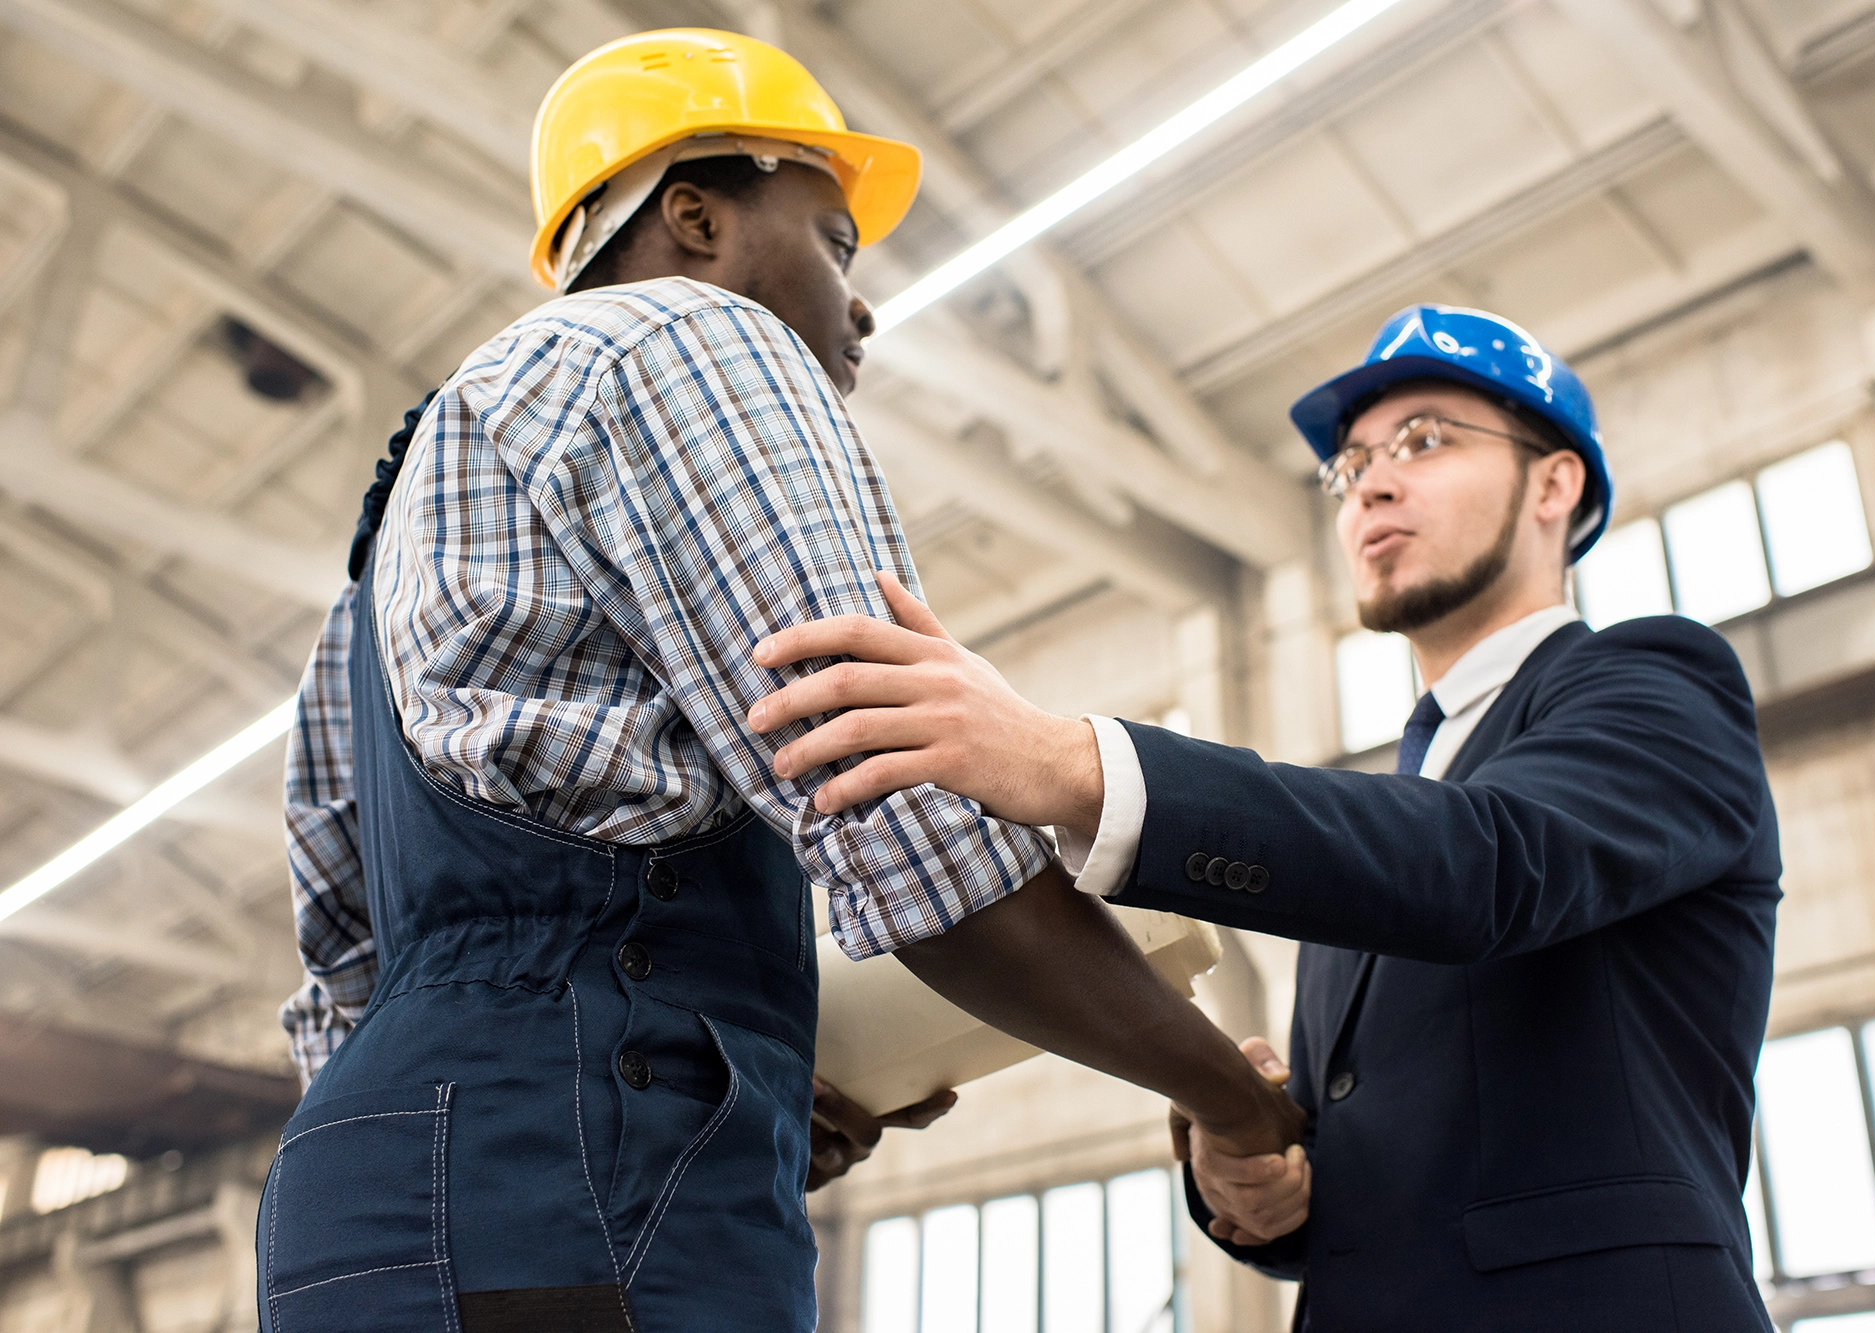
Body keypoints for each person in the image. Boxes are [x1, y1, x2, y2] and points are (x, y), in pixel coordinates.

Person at [264, 29, 1297, 1333]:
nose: (861, 305)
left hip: (365, 1208)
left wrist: (734, 1086)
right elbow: (913, 829)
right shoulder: (687, 337)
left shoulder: (374, 573)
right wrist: (1237, 1103)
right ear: (695, 216)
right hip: (580, 1186)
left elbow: (345, 989)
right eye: (837, 241)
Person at [748, 304, 1782, 1331]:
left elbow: (1492, 869)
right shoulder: (1396, 813)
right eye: (1350, 465)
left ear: (1553, 481)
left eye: (1423, 440)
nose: (1370, 481)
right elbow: (1380, 1163)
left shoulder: (1654, 681)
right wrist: (1250, 1180)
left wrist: (1065, 762)